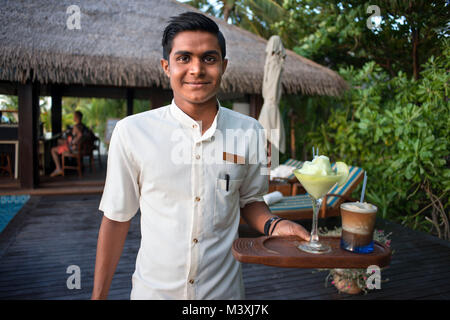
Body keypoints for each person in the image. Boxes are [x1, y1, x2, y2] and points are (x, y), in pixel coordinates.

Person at [92, 12, 310, 300]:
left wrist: (275, 225)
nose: (197, 69)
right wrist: (98, 296)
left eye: (209, 58)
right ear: (165, 66)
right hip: (154, 293)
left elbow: (251, 201)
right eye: (184, 58)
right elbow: (117, 219)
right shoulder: (132, 132)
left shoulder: (251, 132)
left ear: (223, 65)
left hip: (225, 294)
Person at [49, 110, 84, 177]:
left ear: (76, 117)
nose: (73, 117)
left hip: (72, 149)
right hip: (76, 148)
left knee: (53, 150)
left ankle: (58, 168)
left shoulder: (76, 127)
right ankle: (63, 162)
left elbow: (80, 135)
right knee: (59, 141)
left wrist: (72, 142)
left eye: (74, 116)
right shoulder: (82, 126)